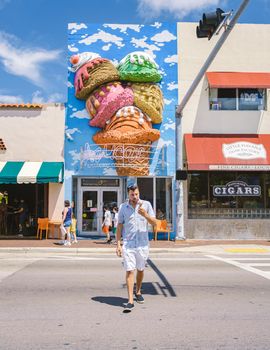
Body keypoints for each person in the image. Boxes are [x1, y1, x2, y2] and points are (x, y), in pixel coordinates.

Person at [116, 184, 156, 313]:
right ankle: (130, 301)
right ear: (128, 194)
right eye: (132, 194)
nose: (135, 197)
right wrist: (118, 244)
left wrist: (145, 215)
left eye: (137, 194)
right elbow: (120, 226)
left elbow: (155, 223)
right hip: (128, 244)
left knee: (140, 269)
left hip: (143, 244)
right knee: (129, 270)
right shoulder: (123, 207)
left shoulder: (146, 205)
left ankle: (138, 291)